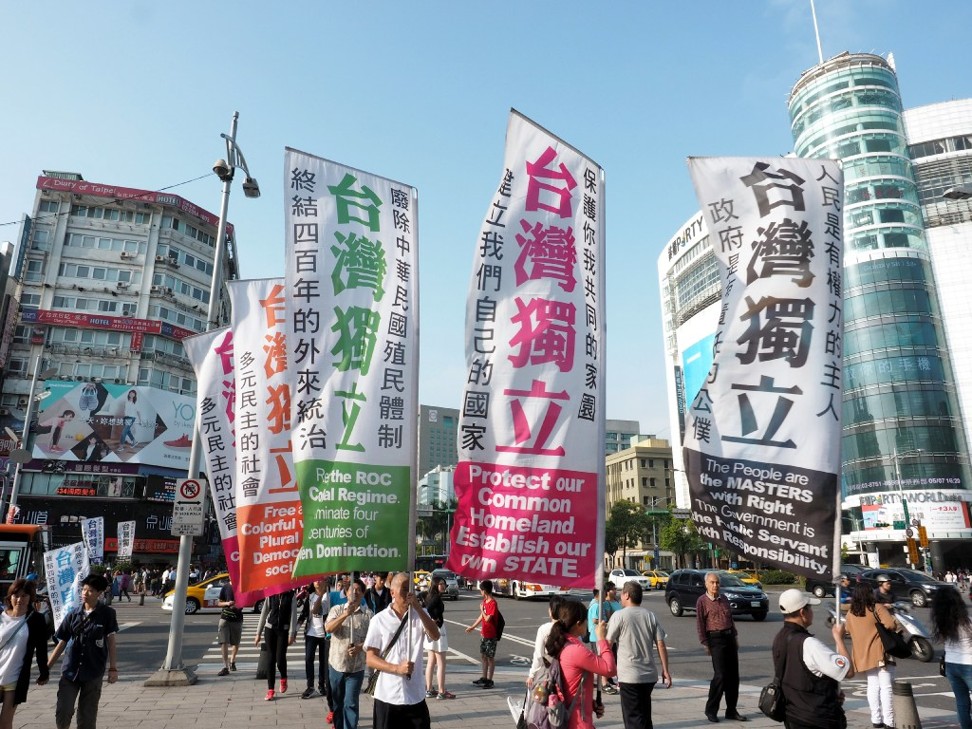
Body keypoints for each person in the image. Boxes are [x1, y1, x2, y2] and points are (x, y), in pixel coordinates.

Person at [363, 572, 440, 729]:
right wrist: (397, 668)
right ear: (392, 592)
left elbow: (435, 635)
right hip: (388, 695)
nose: (408, 593)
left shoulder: (420, 615)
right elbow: (370, 659)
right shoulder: (379, 620)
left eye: (411, 588)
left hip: (415, 695)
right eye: (404, 589)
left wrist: (419, 608)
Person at [773, 588, 853, 729]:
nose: (812, 612)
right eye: (809, 608)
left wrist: (831, 690)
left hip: (792, 714)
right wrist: (839, 639)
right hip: (816, 718)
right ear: (802, 613)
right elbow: (848, 671)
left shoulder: (779, 637)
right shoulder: (809, 644)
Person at [48, 573, 119, 729]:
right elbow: (62, 642)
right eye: (84, 589)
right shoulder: (73, 614)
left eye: (91, 590)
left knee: (87, 717)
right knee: (63, 711)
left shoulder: (107, 614)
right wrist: (47, 668)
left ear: (99, 593)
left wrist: (113, 668)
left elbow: (111, 641)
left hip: (94, 671)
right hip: (70, 671)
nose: (85, 593)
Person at [606, 582, 671, 729]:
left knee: (633, 719)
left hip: (629, 676)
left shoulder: (619, 615)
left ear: (627, 595)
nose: (620, 596)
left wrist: (604, 667)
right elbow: (660, 644)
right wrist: (665, 670)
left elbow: (608, 644)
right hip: (649, 675)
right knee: (645, 716)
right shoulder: (650, 615)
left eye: (622, 593)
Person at [544, 599, 617, 729]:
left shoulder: (562, 644)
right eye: (586, 620)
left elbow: (569, 686)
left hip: (570, 714)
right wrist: (602, 639)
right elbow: (610, 669)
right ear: (578, 624)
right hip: (577, 722)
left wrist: (589, 703)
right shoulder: (576, 651)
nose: (587, 624)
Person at [845, 581, 897, 728]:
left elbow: (847, 629)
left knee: (872, 685)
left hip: (862, 654)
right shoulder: (876, 607)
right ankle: (889, 721)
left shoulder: (851, 612)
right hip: (880, 652)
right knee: (886, 687)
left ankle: (876, 719)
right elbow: (891, 625)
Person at [696, 572, 745, 722]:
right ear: (706, 584)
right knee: (720, 675)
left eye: (717, 582)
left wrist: (735, 637)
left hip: (729, 637)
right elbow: (700, 624)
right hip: (715, 639)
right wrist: (705, 643)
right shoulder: (702, 601)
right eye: (712, 582)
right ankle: (711, 710)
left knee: (733, 676)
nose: (715, 585)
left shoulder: (724, 598)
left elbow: (730, 619)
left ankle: (731, 710)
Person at [0, 579, 49, 729]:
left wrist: (44, 673)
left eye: (24, 596)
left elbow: (41, 649)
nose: (19, 599)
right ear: (10, 596)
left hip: (15, 677)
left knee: (5, 722)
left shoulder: (36, 620)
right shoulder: (1, 617)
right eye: (16, 595)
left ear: (30, 598)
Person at [325, 578, 372, 729]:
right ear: (346, 592)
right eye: (352, 589)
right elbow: (329, 628)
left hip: (356, 668)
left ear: (363, 594)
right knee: (337, 703)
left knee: (351, 703)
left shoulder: (368, 615)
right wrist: (346, 614)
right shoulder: (337, 610)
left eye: (359, 590)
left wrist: (360, 647)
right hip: (337, 665)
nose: (355, 592)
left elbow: (374, 640)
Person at [930, 587, 972, 729]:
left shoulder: (943, 623)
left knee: (962, 702)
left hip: (951, 665)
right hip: (969, 664)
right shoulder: (968, 623)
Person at [255, 589, 297, 701]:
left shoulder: (291, 595)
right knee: (270, 659)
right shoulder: (271, 593)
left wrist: (291, 634)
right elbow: (264, 612)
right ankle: (270, 690)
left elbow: (293, 615)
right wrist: (258, 633)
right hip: (270, 629)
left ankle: (283, 677)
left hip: (283, 630)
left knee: (280, 659)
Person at [423, 576, 454, 700]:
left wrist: (430, 620)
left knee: (431, 662)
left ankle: (429, 689)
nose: (443, 586)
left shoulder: (429, 595)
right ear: (435, 585)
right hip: (438, 630)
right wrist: (434, 619)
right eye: (440, 584)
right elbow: (428, 608)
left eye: (444, 584)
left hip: (431, 630)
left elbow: (425, 607)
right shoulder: (435, 597)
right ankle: (441, 691)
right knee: (441, 663)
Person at [588, 582, 621, 694]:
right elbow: (595, 620)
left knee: (603, 659)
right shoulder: (596, 605)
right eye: (604, 593)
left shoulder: (600, 604)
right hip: (596, 637)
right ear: (599, 594)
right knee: (601, 660)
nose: (605, 595)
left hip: (599, 637)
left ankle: (604, 681)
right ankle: (603, 683)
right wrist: (607, 623)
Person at [465, 579, 499, 689]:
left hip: (491, 634)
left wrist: (482, 610)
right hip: (484, 633)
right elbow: (481, 617)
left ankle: (490, 680)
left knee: (490, 657)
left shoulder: (493, 603)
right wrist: (473, 626)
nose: (480, 592)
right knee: (483, 656)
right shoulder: (484, 602)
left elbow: (488, 618)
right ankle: (484, 677)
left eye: (481, 590)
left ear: (484, 591)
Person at [299, 579, 330, 701]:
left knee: (324, 661)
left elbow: (322, 611)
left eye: (321, 579)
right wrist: (294, 631)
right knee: (309, 659)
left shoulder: (329, 596)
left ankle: (322, 685)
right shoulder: (310, 596)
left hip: (325, 634)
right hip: (311, 633)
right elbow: (304, 614)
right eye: (316, 580)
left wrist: (322, 594)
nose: (318, 582)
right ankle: (310, 686)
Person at [527, 595, 565, 689]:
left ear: (551, 611)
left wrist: (532, 675)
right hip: (565, 673)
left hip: (548, 673)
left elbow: (538, 655)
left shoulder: (544, 629)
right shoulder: (568, 629)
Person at [216, 581, 243, 676]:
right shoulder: (226, 587)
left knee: (235, 642)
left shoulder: (241, 586)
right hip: (225, 618)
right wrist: (227, 603)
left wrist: (238, 604)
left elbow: (248, 601)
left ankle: (232, 661)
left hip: (237, 619)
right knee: (223, 641)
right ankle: (225, 666)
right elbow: (219, 603)